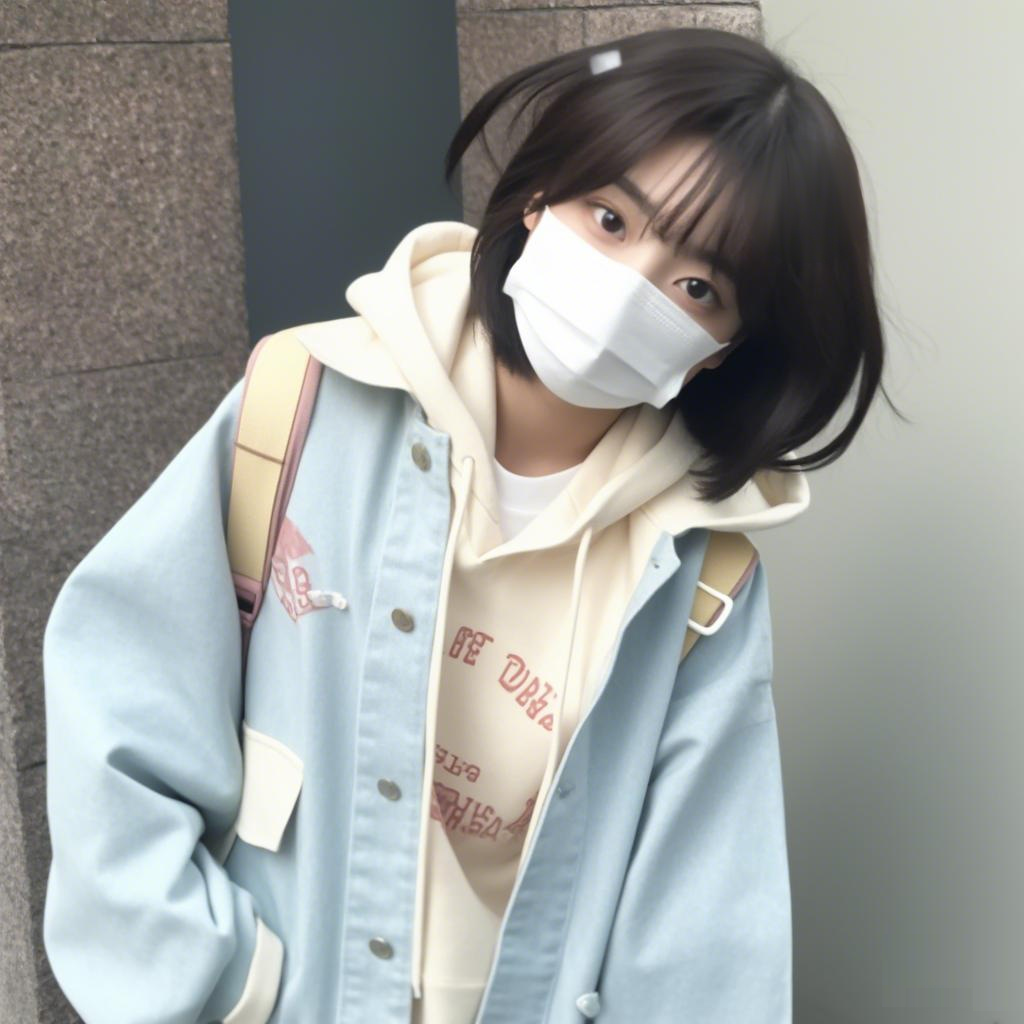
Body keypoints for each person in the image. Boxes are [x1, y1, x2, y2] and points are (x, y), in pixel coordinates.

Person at [41, 25, 896, 1024]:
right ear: (539, 197)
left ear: (722, 349)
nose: (631, 284)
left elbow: (701, 942)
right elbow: (118, 718)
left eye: (696, 286)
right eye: (611, 218)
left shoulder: (699, 579)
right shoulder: (299, 406)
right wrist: (216, 989)